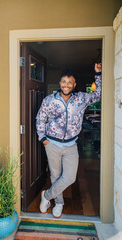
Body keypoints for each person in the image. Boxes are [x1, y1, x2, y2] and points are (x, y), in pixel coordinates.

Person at [36, 63, 102, 218]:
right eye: (64, 82)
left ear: (74, 84)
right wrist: (43, 138)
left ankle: (46, 196)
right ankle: (59, 203)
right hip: (52, 144)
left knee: (70, 177)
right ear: (60, 83)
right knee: (55, 175)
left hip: (72, 145)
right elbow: (40, 118)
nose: (66, 85)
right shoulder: (49, 100)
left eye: (70, 82)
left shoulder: (81, 99)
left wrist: (98, 75)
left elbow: (98, 94)